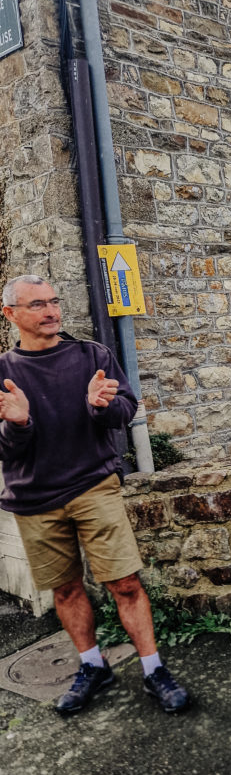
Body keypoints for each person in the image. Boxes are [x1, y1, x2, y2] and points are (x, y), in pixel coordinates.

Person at [0, 275, 189, 715]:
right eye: (37, 304)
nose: (51, 311)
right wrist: (18, 424)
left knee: (125, 582)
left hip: (93, 486)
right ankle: (92, 665)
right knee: (65, 589)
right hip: (34, 499)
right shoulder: (4, 372)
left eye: (53, 301)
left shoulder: (92, 356)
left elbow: (126, 410)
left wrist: (101, 406)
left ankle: (154, 669)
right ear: (10, 314)